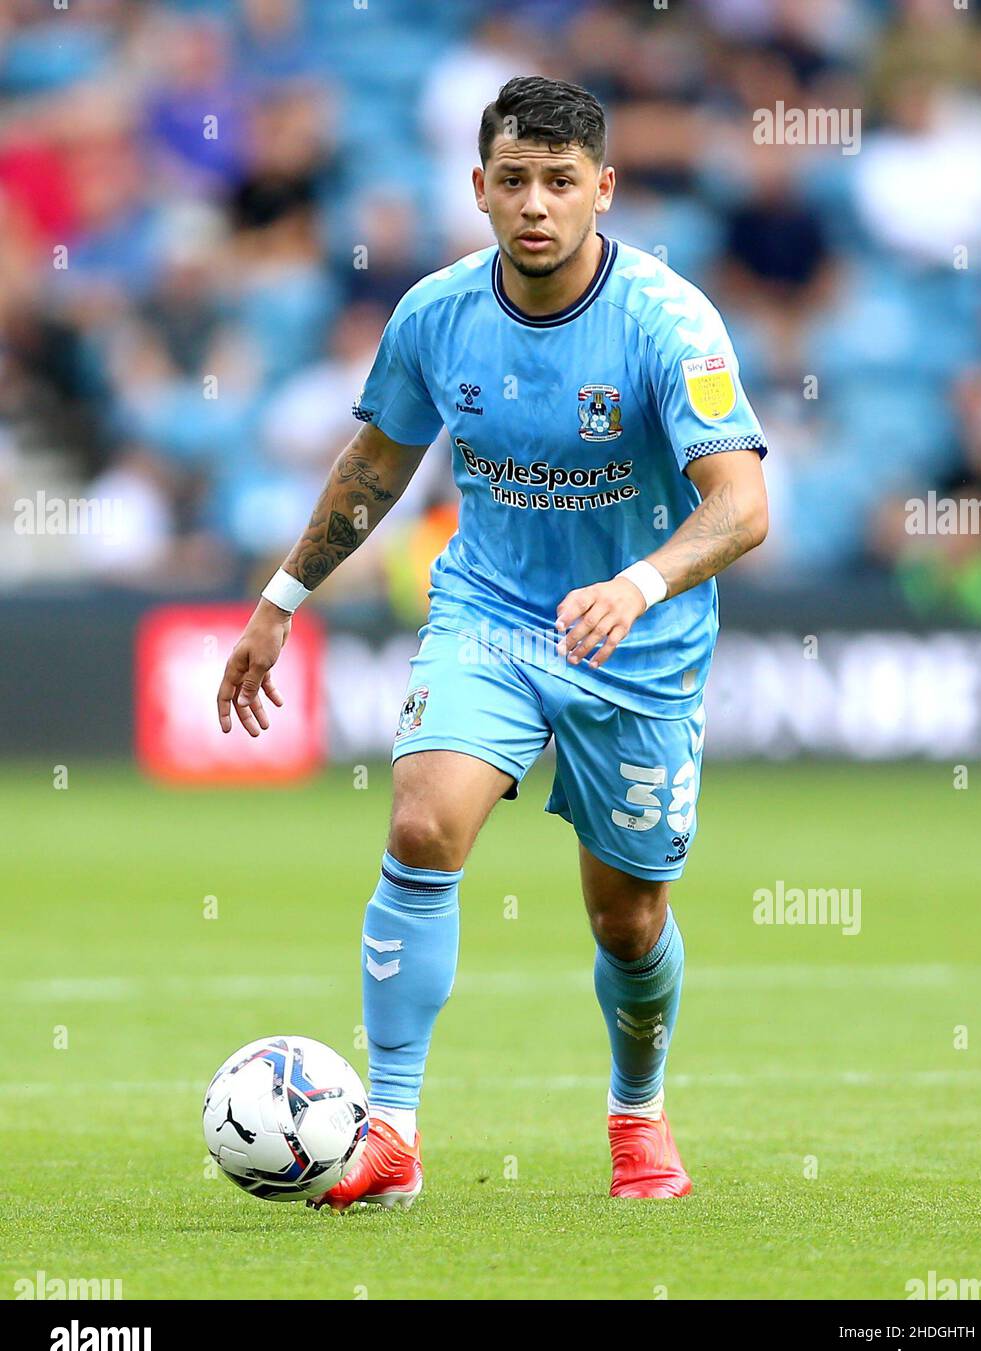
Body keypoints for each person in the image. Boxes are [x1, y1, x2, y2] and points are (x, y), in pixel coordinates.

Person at [216, 76, 769, 1205]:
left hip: (639, 644)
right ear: (476, 187)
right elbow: (376, 465)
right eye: (512, 180)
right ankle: (393, 1131)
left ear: (601, 191)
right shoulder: (434, 314)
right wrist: (279, 599)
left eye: (560, 182)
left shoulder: (669, 322)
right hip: (491, 616)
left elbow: (741, 505)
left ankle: (636, 1114)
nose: (534, 204)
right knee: (422, 825)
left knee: (628, 917)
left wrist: (639, 581)